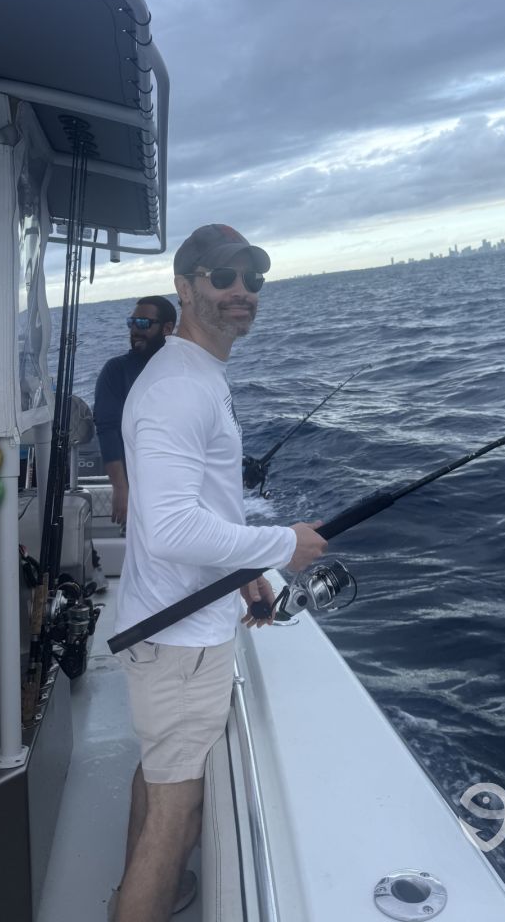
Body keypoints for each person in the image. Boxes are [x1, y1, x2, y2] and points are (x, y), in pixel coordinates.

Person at [110, 224, 327, 922]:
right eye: (223, 277)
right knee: (175, 812)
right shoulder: (179, 388)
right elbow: (170, 529)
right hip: (180, 645)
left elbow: (196, 505)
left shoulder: (197, 374)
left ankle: (144, 893)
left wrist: (240, 570)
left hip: (173, 624)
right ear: (185, 287)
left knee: (160, 776)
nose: (242, 291)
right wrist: (279, 545)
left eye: (252, 279)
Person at [93, 295, 177, 525]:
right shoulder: (115, 371)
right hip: (140, 490)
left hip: (181, 486)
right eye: (131, 323)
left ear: (167, 328)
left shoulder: (182, 368)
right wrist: (120, 488)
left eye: (143, 323)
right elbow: (107, 429)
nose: (135, 330)